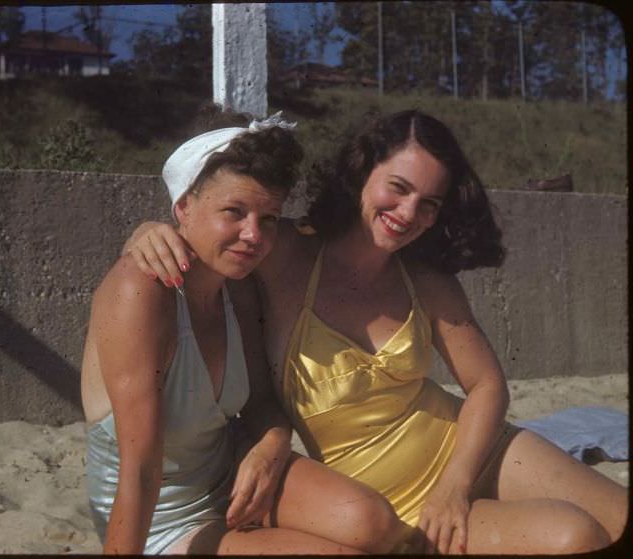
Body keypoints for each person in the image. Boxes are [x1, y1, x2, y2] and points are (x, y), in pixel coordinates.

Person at [124, 109, 627, 554]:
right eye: (399, 188)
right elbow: (213, 232)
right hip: (388, 503)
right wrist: (146, 231)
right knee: (574, 536)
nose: (409, 214)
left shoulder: (426, 280)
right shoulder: (284, 254)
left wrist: (455, 484)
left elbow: (487, 385)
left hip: (475, 453)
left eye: (430, 203)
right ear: (361, 173)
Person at [81, 113, 402, 555]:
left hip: (229, 474)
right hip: (161, 516)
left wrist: (271, 445)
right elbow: (139, 470)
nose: (254, 235)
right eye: (233, 211)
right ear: (183, 207)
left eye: (269, 218)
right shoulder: (142, 290)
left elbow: (260, 404)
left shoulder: (238, 285)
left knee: (375, 524)